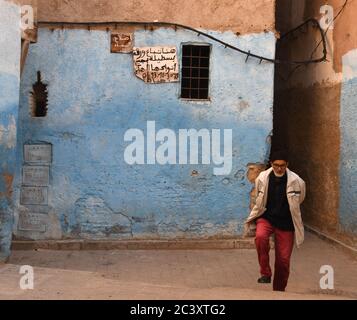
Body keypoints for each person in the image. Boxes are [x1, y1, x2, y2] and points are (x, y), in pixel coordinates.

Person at [244, 150, 306, 292]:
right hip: (267, 217)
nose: (279, 168)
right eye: (276, 165)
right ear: (271, 164)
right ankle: (265, 273)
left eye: (282, 165)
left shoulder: (297, 181)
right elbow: (260, 195)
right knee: (260, 237)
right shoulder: (262, 178)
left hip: (286, 223)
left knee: (283, 261)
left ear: (287, 165)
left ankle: (279, 290)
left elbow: (300, 198)